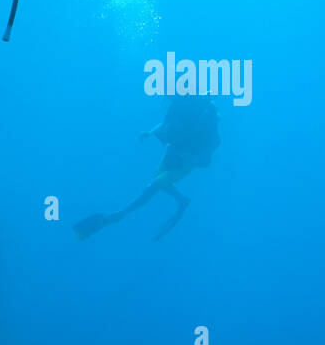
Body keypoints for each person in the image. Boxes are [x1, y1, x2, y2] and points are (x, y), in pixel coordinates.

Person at [74, 96, 221, 242]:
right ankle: (118, 214)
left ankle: (181, 199)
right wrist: (150, 132)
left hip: (189, 158)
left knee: (159, 182)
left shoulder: (204, 112)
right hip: (174, 150)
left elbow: (210, 141)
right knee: (153, 186)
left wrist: (197, 157)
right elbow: (165, 123)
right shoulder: (178, 106)